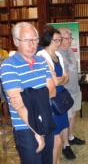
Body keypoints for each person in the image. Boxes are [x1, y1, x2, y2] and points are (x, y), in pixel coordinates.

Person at [0, 22, 56, 164]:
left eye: (35, 40)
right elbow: (18, 105)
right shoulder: (8, 65)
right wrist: (37, 132)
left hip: (47, 121)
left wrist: (29, 95)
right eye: (27, 40)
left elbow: (52, 91)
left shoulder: (41, 61)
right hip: (25, 128)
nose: (32, 44)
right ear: (16, 41)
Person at [37, 25, 76, 163]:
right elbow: (52, 83)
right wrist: (59, 80)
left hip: (60, 100)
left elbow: (66, 78)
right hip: (50, 101)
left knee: (58, 138)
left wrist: (59, 79)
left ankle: (57, 161)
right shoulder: (41, 56)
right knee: (55, 139)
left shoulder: (58, 55)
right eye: (55, 40)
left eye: (59, 40)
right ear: (48, 40)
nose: (58, 43)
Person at [58, 27, 85, 146]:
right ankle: (65, 145)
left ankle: (71, 137)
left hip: (75, 89)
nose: (70, 41)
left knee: (74, 115)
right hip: (65, 92)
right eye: (67, 38)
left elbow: (74, 70)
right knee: (66, 119)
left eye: (70, 38)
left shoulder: (70, 51)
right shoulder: (57, 53)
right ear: (60, 39)